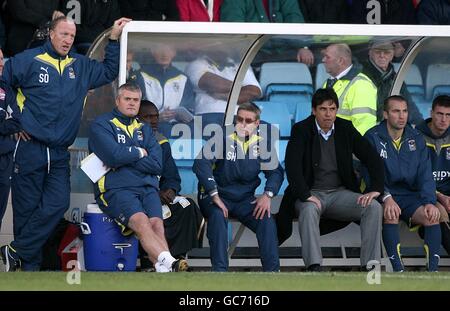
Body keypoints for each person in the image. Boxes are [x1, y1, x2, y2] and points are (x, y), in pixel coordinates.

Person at [0, 16, 130, 272]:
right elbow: (3, 83)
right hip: (29, 147)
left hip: (60, 151)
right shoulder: (27, 60)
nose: (68, 40)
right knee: (26, 210)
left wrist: (113, 39)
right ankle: (29, 269)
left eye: (72, 36)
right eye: (63, 34)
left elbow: (107, 71)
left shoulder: (80, 66)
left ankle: (14, 250)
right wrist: (13, 120)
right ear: (50, 34)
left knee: (58, 203)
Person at [276, 88, 383, 272]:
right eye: (323, 109)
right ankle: (314, 266)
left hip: (340, 193)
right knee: (309, 210)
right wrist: (305, 195)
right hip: (310, 193)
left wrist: (376, 188)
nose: (328, 114)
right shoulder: (301, 129)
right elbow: (292, 167)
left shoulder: (345, 128)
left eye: (332, 109)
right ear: (314, 110)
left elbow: (372, 157)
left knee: (373, 207)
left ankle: (370, 266)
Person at [89, 83, 188, 273]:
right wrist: (140, 153)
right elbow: (113, 157)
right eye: (127, 99)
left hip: (147, 187)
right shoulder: (102, 124)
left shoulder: (145, 129)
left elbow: (156, 164)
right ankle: (172, 263)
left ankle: (164, 270)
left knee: (157, 224)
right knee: (142, 222)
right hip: (117, 188)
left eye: (135, 100)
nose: (132, 103)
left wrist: (127, 156)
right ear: (118, 100)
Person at [193, 102, 284, 272]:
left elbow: (276, 173)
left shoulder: (262, 142)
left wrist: (267, 195)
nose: (242, 124)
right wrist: (214, 195)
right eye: (239, 119)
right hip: (216, 197)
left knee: (266, 220)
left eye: (248, 121)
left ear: (257, 123)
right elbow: (201, 163)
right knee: (218, 216)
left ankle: (273, 273)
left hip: (244, 200)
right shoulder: (222, 136)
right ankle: (220, 273)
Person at [364, 95, 441, 272]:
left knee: (432, 215)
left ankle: (433, 271)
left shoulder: (417, 138)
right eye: (396, 111)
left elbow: (425, 174)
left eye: (405, 111)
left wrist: (429, 201)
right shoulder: (372, 137)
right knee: (390, 213)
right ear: (385, 114)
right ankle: (398, 270)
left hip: (410, 196)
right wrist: (387, 197)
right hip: (384, 194)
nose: (402, 116)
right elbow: (369, 176)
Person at [137, 100, 204, 268]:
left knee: (186, 206)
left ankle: (177, 258)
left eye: (156, 117)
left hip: (160, 196)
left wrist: (171, 190)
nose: (153, 121)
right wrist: (153, 193)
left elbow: (172, 176)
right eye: (147, 117)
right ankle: (151, 260)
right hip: (138, 196)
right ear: (137, 119)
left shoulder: (161, 141)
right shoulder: (130, 142)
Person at [185, 50, 261, 133]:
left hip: (240, 116)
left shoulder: (239, 64)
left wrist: (223, 96)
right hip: (210, 115)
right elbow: (215, 84)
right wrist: (244, 88)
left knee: (268, 130)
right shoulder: (196, 64)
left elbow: (255, 92)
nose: (223, 47)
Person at [416, 95, 450, 255]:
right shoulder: (415, 138)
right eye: (440, 114)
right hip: (424, 195)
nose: (444, 119)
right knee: (439, 211)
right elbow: (414, 177)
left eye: (448, 115)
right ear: (431, 113)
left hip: (447, 195)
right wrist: (439, 196)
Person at [139, 43, 195, 138]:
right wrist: (156, 118)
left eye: (169, 50)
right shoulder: (140, 75)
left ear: (174, 53)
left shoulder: (183, 78)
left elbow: (190, 110)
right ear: (153, 51)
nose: (164, 54)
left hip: (178, 130)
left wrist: (177, 114)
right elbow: (134, 110)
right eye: (160, 49)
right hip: (149, 129)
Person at [362, 40, 423, 125]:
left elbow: (410, 106)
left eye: (386, 52)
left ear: (392, 55)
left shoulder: (395, 78)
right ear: (370, 53)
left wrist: (422, 127)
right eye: (378, 52)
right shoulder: (361, 74)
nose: (382, 55)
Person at [322, 43, 377, 135]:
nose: (323, 60)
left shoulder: (361, 84)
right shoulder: (329, 82)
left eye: (327, 57)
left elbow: (364, 125)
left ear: (340, 61)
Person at [0, 48, 21, 230]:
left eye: (1, 59)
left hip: (4, 159)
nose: (1, 63)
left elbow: (17, 121)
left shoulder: (6, 89)